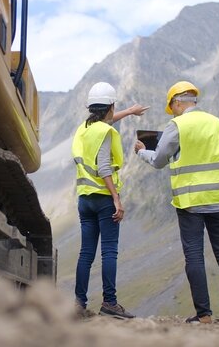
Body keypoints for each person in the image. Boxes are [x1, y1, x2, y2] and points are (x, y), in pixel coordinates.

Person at [134, 81, 219, 325]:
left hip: (190, 202)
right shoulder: (216, 122)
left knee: (194, 257)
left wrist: (142, 151)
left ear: (177, 103)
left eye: (172, 107)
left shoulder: (177, 125)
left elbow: (159, 161)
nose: (173, 112)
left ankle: (204, 315)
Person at [71, 82, 148, 319]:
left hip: (85, 199)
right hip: (104, 200)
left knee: (86, 253)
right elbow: (104, 166)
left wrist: (129, 112)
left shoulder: (84, 129)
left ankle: (78, 303)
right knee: (109, 252)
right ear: (111, 106)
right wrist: (117, 199)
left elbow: (105, 122)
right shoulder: (105, 133)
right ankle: (110, 303)